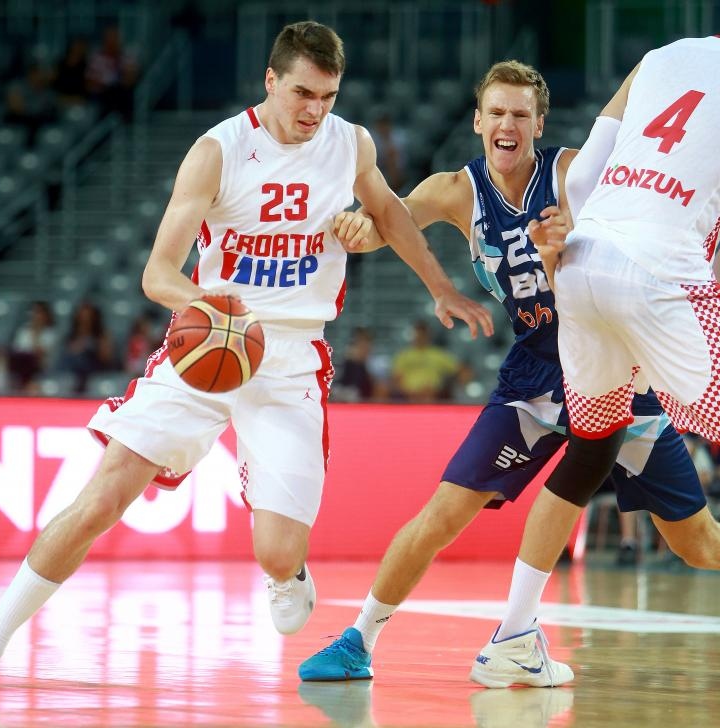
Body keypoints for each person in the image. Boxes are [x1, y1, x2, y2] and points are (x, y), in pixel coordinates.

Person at [0, 20, 491, 693]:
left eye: (329, 96)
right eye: (303, 93)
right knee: (100, 498)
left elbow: (392, 215)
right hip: (209, 346)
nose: (315, 109)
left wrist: (440, 287)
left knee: (280, 557)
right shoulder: (218, 151)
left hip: (290, 360)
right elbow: (158, 273)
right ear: (271, 81)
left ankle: (283, 562)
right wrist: (213, 306)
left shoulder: (350, 144)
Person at [298, 58, 720, 687]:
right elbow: (387, 227)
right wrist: (356, 223)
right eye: (496, 112)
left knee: (698, 545)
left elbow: (637, 218)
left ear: (539, 124)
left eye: (521, 114)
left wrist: (572, 238)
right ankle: (359, 638)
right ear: (477, 121)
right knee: (443, 514)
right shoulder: (455, 190)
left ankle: (514, 638)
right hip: (534, 372)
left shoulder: (575, 171)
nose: (507, 124)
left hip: (613, 355)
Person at [477, 35, 720, 685]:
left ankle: (514, 636)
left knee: (590, 452)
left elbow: (581, 178)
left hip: (581, 270)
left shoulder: (664, 56)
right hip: (664, 277)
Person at [391, 319, 467, 402]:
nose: (420, 337)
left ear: (428, 335)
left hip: (433, 395)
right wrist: (409, 392)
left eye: (423, 334)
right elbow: (396, 378)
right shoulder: (404, 355)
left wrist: (455, 385)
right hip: (408, 396)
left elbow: (461, 370)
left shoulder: (438, 354)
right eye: (418, 334)